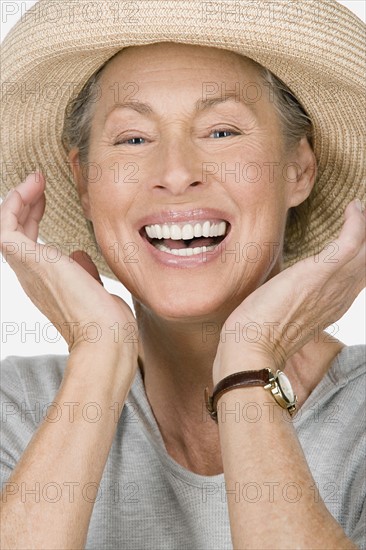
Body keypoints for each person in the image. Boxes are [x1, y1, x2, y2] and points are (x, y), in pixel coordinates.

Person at [0, 1, 365, 548]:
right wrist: (98, 358)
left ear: (299, 169)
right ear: (83, 182)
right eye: (133, 139)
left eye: (221, 132)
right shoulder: (18, 406)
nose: (175, 173)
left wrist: (247, 362)